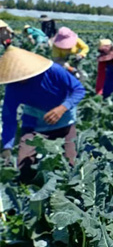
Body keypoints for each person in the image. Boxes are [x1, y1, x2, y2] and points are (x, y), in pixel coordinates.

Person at [0, 46, 85, 179]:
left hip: (64, 123)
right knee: (23, 168)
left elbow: (79, 89)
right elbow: (9, 118)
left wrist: (62, 108)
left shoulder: (54, 71)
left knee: (71, 167)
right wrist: (7, 146)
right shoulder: (13, 87)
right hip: (34, 126)